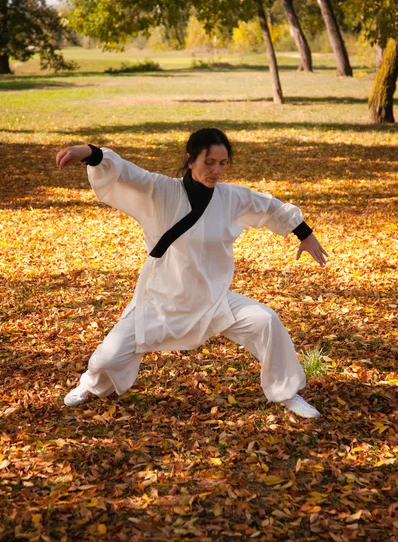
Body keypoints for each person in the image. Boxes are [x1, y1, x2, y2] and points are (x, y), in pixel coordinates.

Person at [56, 128, 328, 418]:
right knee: (108, 357)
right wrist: (90, 153)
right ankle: (91, 384)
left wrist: (305, 234)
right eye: (209, 162)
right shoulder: (161, 191)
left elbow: (270, 207)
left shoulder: (231, 197)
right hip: (160, 300)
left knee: (266, 321)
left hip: (212, 300)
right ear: (190, 160)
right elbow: (126, 175)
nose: (216, 170)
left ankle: (286, 392)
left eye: (223, 164)